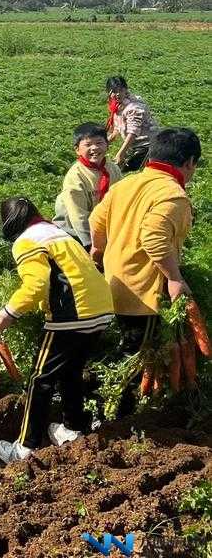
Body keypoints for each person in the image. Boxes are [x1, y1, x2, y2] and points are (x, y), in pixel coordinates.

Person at [0, 198, 114, 464]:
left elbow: (36, 284)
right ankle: (73, 428)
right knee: (70, 372)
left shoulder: (26, 240)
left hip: (72, 314)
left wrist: (8, 312)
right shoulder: (61, 234)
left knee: (40, 378)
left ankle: (26, 447)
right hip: (102, 309)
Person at [90, 127, 200, 418]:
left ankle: (111, 406)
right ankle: (112, 415)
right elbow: (153, 238)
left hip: (113, 281)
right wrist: (175, 278)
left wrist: (99, 254)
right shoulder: (173, 195)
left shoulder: (125, 184)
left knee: (127, 346)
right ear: (189, 163)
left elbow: (96, 222)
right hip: (140, 290)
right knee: (133, 355)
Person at [53, 123, 122, 248]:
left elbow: (121, 201)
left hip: (102, 228)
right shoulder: (76, 176)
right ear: (77, 149)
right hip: (75, 233)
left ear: (107, 145)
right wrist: (92, 245)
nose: (94, 148)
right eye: (88, 144)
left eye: (99, 143)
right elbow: (78, 217)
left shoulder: (113, 169)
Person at [105, 76, 158, 172]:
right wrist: (102, 144)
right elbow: (117, 129)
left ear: (126, 90)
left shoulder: (133, 108)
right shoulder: (117, 106)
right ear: (109, 93)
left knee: (125, 173)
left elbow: (132, 133)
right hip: (136, 147)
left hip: (147, 146)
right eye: (114, 91)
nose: (117, 94)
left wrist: (120, 154)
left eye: (121, 90)